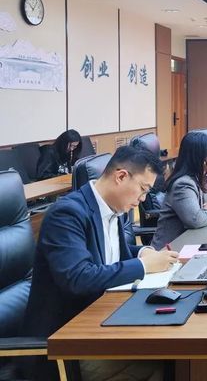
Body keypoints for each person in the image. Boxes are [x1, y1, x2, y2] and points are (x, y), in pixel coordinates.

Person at [23, 146, 178, 380]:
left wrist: (143, 253)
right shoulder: (66, 214)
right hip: (66, 343)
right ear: (121, 176)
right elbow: (79, 277)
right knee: (166, 365)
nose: (143, 199)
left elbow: (109, 256)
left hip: (103, 319)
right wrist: (144, 266)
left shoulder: (113, 208)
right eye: (143, 189)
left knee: (170, 354)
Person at [151, 131, 207, 249]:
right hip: (170, 250)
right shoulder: (183, 184)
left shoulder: (202, 177)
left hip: (191, 243)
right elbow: (195, 219)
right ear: (202, 158)